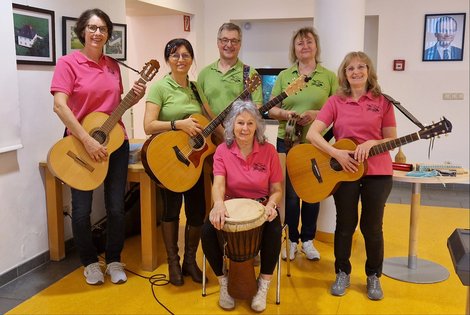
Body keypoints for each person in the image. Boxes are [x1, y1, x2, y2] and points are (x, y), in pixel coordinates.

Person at [50, 8, 146, 285]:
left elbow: (112, 109)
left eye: (102, 28)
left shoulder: (113, 66)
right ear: (82, 31)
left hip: (115, 144)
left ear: (107, 34)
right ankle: (90, 262)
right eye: (92, 28)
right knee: (81, 210)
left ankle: (114, 259)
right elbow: (60, 105)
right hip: (80, 145)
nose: (97, 33)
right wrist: (87, 139)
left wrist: (133, 99)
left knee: (116, 207)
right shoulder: (68, 63)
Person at [306, 51, 397, 300]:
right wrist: (336, 153)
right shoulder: (336, 101)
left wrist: (373, 143)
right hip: (345, 172)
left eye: (361, 67)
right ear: (344, 74)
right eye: (350, 68)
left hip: (377, 172)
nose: (356, 72)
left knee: (372, 227)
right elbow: (312, 135)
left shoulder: (383, 102)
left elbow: (392, 138)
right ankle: (342, 272)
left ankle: (373, 277)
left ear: (369, 71)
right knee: (345, 226)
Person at [201, 100, 283, 312]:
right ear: (231, 125)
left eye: (250, 123)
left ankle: (263, 285)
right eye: (240, 123)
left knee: (274, 231)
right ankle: (223, 283)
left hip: (262, 207)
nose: (244, 128)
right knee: (208, 231)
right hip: (230, 207)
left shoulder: (269, 151)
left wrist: (272, 206)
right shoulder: (222, 150)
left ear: (257, 126)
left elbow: (277, 190)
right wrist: (218, 204)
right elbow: (218, 184)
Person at [268, 27, 337, 261]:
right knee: (289, 195)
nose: (305, 46)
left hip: (317, 143)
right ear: (294, 49)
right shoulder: (285, 76)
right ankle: (291, 239)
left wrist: (316, 114)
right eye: (300, 43)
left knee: (311, 192)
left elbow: (338, 109)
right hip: (286, 141)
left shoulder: (328, 77)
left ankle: (308, 240)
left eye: (309, 42)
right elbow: (271, 107)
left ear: (316, 46)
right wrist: (287, 116)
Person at [144, 38, 209, 286]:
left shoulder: (195, 88)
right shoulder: (159, 87)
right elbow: (148, 125)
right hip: (169, 159)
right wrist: (177, 124)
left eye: (185, 55)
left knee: (196, 212)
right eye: (175, 55)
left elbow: (205, 120)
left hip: (192, 160)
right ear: (167, 59)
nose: (181, 60)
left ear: (192, 59)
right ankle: (173, 262)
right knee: (171, 210)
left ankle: (190, 261)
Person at [198, 22, 263, 118]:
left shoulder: (250, 73)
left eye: (234, 41)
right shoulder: (204, 74)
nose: (229, 45)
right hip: (209, 132)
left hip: (237, 132)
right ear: (218, 42)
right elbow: (199, 109)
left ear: (240, 44)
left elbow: (257, 108)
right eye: (225, 40)